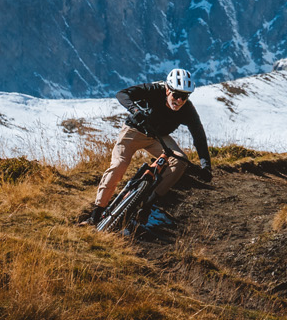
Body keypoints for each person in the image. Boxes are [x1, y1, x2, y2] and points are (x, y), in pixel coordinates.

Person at [78, 68, 213, 225]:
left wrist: (206, 166)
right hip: (133, 132)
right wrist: (135, 110)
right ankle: (96, 213)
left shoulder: (187, 109)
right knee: (119, 165)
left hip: (157, 137)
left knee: (180, 161)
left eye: (184, 97)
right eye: (176, 95)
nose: (179, 101)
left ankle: (147, 204)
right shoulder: (154, 90)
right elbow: (122, 94)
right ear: (167, 89)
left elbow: (199, 136)